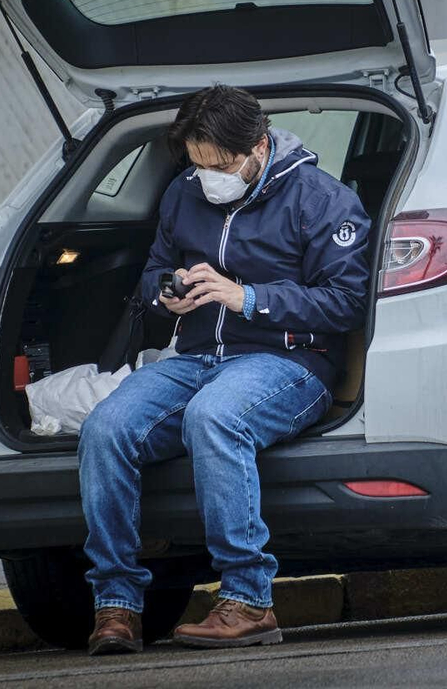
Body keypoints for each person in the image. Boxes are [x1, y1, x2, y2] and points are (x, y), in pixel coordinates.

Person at [76, 85, 372, 654]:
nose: (208, 177)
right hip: (195, 358)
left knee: (214, 417)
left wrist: (248, 298)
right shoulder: (183, 192)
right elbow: (153, 272)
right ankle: (117, 605)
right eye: (198, 164)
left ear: (259, 146)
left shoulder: (320, 199)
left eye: (220, 165)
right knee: (105, 429)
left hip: (290, 362)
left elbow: (346, 302)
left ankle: (248, 599)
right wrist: (167, 294)